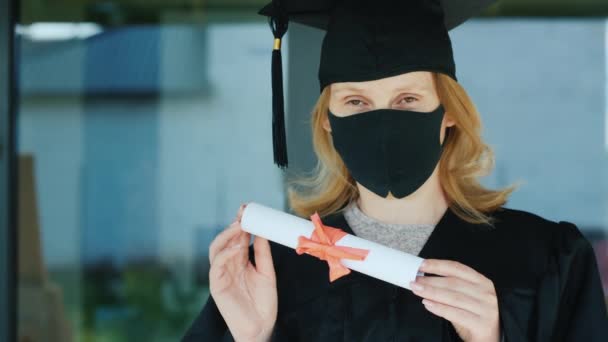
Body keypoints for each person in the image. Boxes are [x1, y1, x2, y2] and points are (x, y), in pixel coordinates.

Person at [182, 0, 608, 341]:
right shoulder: (278, 269)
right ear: (327, 120)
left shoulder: (547, 260)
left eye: (407, 99)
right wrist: (254, 338)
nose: (383, 123)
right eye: (356, 102)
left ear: (449, 113)